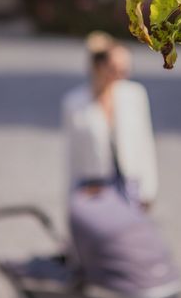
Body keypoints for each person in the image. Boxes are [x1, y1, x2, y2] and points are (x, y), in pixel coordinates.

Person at [61, 32, 158, 209]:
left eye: (126, 69)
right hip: (92, 188)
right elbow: (72, 155)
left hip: (129, 185)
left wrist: (149, 190)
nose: (123, 75)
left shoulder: (134, 94)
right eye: (116, 69)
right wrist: (71, 199)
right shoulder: (75, 103)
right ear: (99, 66)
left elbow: (145, 142)